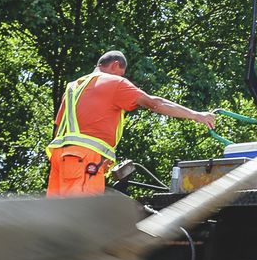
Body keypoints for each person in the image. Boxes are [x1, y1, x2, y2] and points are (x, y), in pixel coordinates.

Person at [46, 50, 216, 197]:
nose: (122, 78)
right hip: (84, 160)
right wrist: (196, 115)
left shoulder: (72, 87)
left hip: (60, 160)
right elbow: (154, 103)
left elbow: (58, 127)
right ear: (115, 65)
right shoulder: (114, 83)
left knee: (58, 218)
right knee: (80, 218)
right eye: (121, 73)